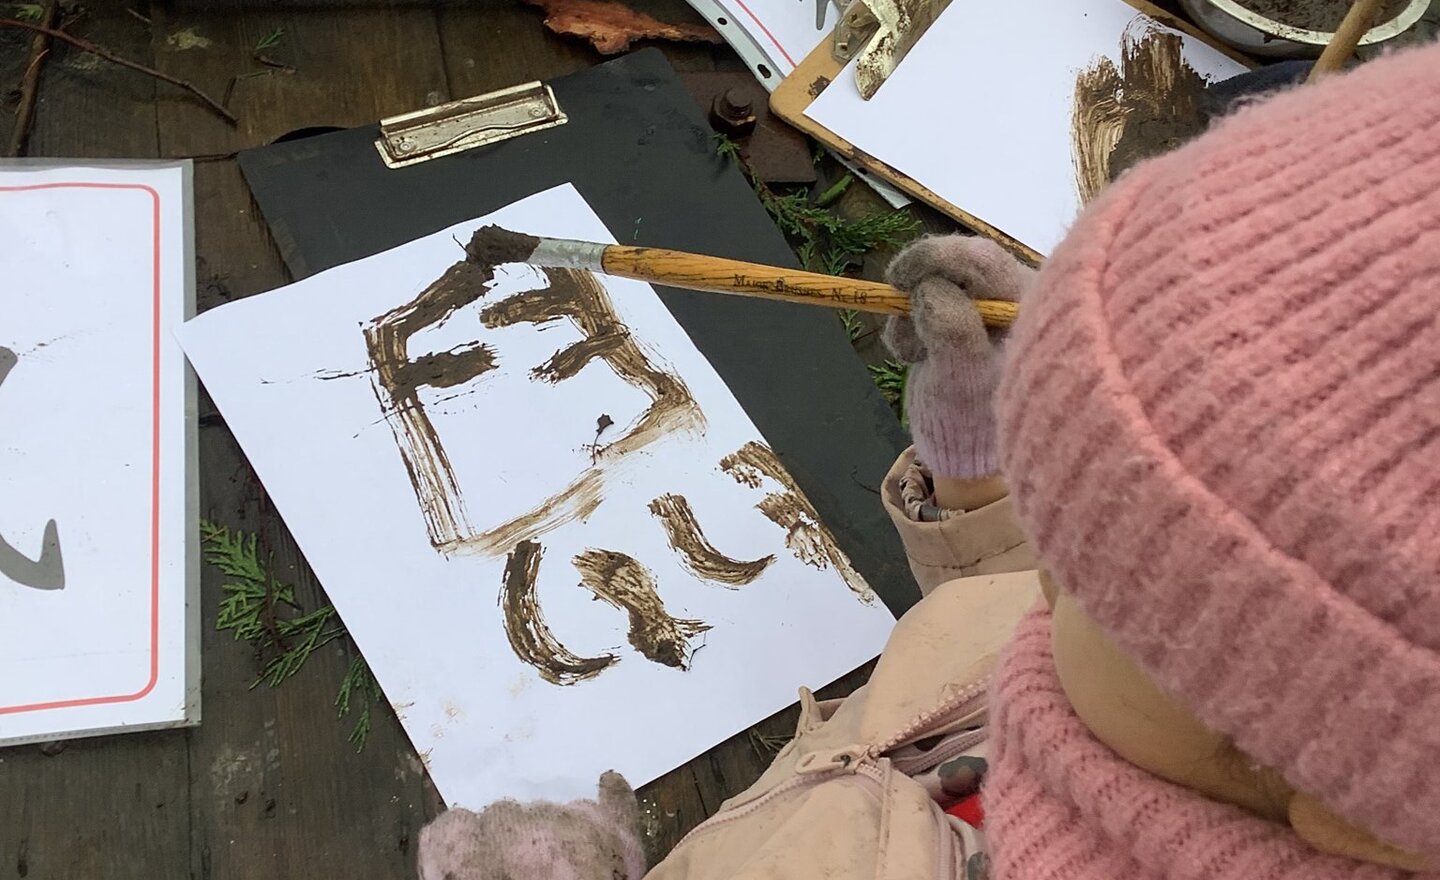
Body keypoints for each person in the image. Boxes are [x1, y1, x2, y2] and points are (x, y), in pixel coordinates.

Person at [419, 39, 1440, 880]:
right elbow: (1012, 611)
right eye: (1065, 514)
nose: (1046, 574)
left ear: (1360, 805)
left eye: (1089, 574)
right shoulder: (1173, 705)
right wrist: (980, 468)